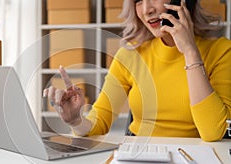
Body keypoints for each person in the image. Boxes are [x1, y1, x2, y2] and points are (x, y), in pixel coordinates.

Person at [43, 0, 231, 142]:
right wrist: (76, 121)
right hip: (140, 159)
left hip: (196, 163)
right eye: (138, 0)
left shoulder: (221, 51)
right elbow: (100, 120)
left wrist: (190, 52)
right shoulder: (130, 55)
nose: (147, 9)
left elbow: (213, 132)